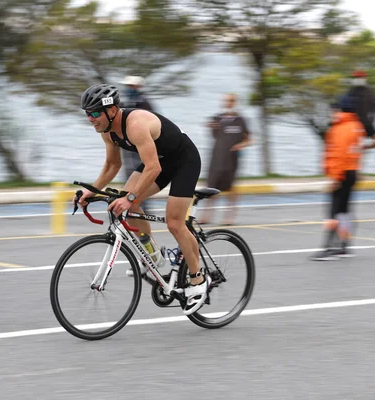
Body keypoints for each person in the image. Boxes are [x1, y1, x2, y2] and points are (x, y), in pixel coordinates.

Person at [77, 83, 209, 315]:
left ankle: (198, 279)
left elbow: (153, 168)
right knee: (124, 203)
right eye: (88, 114)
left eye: (95, 113)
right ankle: (154, 257)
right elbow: (113, 165)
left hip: (183, 161)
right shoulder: (107, 130)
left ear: (111, 111)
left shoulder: (135, 125)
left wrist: (130, 197)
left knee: (174, 224)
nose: (91, 118)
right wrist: (92, 190)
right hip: (157, 161)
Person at [311, 95, 366, 261]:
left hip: (341, 174)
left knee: (333, 212)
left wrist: (335, 178)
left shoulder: (339, 128)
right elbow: (356, 151)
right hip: (352, 172)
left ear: (340, 110)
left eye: (333, 110)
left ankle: (329, 248)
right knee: (344, 212)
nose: (331, 113)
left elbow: (339, 154)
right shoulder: (357, 126)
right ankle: (344, 245)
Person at [198, 93, 251, 225]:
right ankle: (206, 216)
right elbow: (213, 134)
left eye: (231, 101)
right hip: (217, 157)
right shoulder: (217, 118)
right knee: (211, 186)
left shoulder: (240, 120)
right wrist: (210, 127)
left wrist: (241, 145)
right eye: (226, 101)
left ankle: (229, 218)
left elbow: (248, 138)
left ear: (235, 102)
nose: (228, 103)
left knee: (231, 187)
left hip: (232, 159)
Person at [119, 76, 156, 211]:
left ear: (137, 87)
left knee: (141, 175)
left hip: (140, 147)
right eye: (127, 86)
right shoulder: (124, 103)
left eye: (130, 86)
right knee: (129, 176)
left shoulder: (144, 104)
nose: (128, 89)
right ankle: (130, 207)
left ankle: (142, 207)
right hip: (127, 147)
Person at [346, 70, 375, 150]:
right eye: (356, 77)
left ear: (365, 78)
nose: (358, 79)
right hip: (353, 123)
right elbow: (346, 108)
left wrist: (371, 121)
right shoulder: (350, 91)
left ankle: (362, 149)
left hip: (366, 122)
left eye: (360, 77)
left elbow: (374, 107)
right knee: (352, 145)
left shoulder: (370, 91)